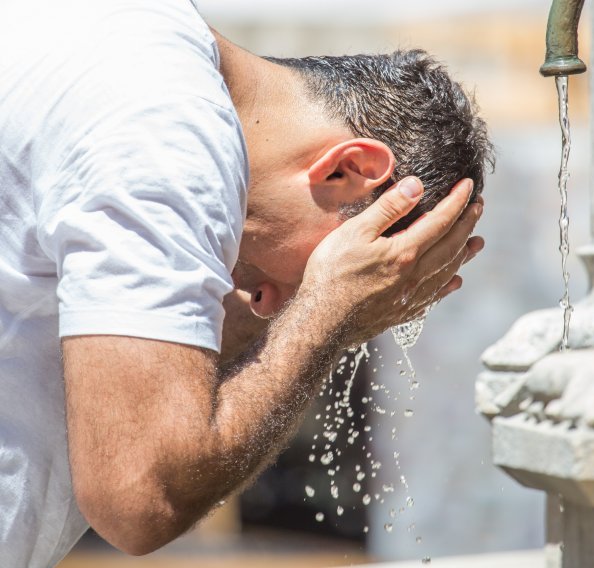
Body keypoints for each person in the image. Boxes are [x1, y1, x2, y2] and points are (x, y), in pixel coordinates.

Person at [0, 0, 492, 564]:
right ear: (347, 171)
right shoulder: (167, 138)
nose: (270, 305)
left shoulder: (133, 45)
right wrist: (329, 313)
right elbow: (139, 498)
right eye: (310, 277)